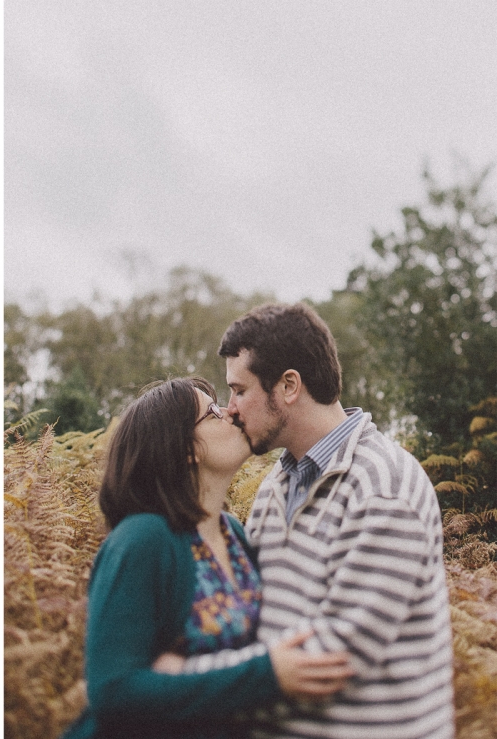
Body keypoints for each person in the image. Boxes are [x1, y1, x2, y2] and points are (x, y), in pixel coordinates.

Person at [168, 303, 454, 738]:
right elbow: (255, 623)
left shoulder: (384, 487)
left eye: (239, 390)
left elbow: (335, 658)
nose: (230, 409)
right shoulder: (275, 485)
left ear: (288, 386)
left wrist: (177, 680)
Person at [62, 377, 353, 739]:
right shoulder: (142, 540)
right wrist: (265, 676)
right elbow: (112, 692)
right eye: (213, 412)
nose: (231, 411)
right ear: (186, 448)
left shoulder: (234, 535)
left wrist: (186, 671)